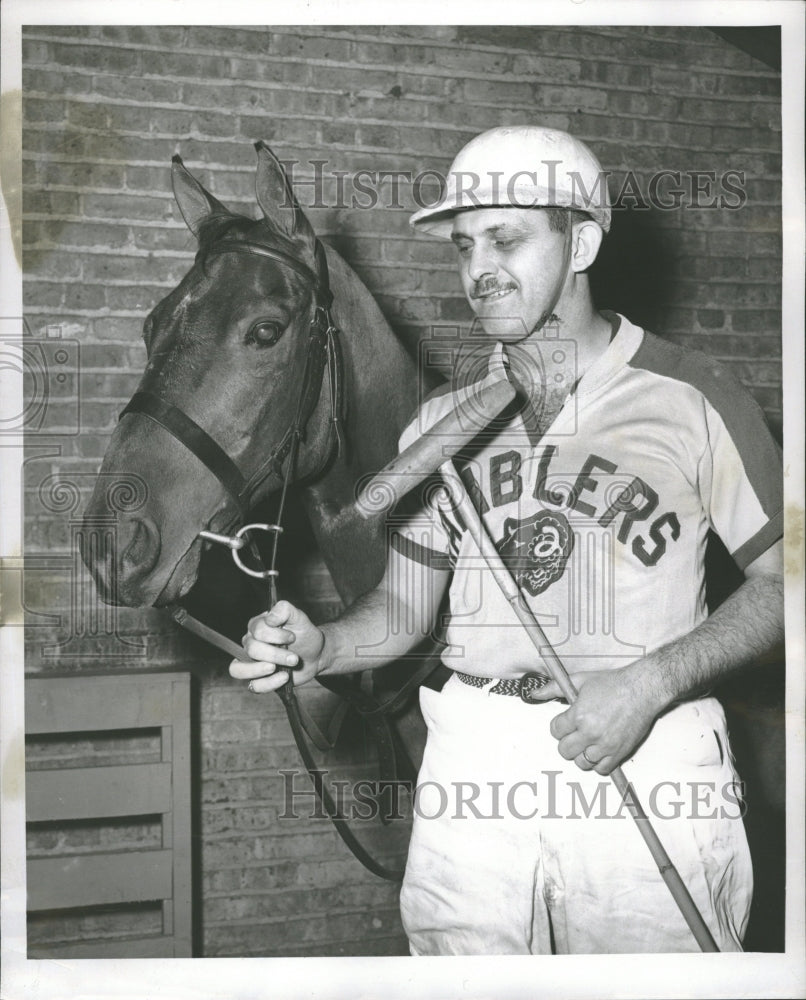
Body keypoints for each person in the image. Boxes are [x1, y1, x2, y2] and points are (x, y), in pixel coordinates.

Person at [230, 126, 784, 955]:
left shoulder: (695, 397)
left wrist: (651, 682)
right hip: (474, 762)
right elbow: (402, 613)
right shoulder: (438, 426)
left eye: (508, 239)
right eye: (463, 246)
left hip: (648, 748)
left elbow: (790, 583)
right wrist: (320, 647)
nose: (478, 269)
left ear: (584, 240)